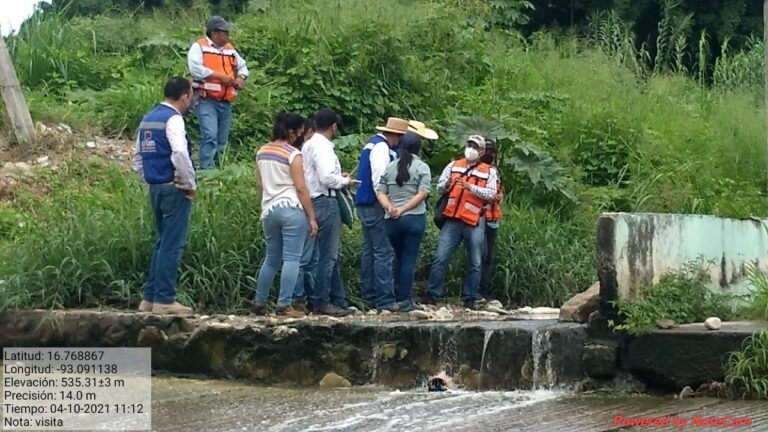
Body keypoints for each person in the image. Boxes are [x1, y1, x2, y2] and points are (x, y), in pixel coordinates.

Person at [132, 77, 197, 315]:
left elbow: (137, 156)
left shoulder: (148, 118)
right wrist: (189, 183)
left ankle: (149, 299)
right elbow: (180, 152)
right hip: (174, 187)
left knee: (161, 243)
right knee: (172, 245)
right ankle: (164, 300)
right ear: (184, 96)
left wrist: (148, 179)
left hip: (155, 187)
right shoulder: (174, 119)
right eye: (190, 95)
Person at [249, 111, 318, 318]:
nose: (300, 136)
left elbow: (260, 185)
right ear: (292, 132)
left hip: (269, 210)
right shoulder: (292, 154)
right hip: (291, 209)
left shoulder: (262, 151)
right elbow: (301, 188)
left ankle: (259, 302)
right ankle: (284, 304)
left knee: (271, 259)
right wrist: (312, 217)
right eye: (300, 132)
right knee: (292, 258)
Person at [421, 135, 498, 310]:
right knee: (440, 258)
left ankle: (469, 297)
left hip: (474, 221)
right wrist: (447, 185)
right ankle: (432, 294)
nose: (471, 149)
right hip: (453, 219)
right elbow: (439, 186)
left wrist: (470, 187)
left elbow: (492, 194)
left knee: (475, 261)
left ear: (481, 151)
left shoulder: (490, 172)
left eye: (475, 146)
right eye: (469, 145)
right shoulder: (454, 165)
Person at [301, 108, 357, 316]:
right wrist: (345, 181)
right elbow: (326, 179)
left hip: (313, 200)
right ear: (333, 126)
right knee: (329, 255)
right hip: (326, 201)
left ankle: (339, 300)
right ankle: (322, 302)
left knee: (328, 254)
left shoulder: (308, 145)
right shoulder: (323, 147)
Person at [355, 117, 409, 312]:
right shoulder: (381, 149)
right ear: (394, 135)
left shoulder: (371, 144)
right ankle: (385, 299)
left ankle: (368, 294)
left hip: (364, 203)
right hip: (375, 204)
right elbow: (380, 178)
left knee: (370, 250)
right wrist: (388, 204)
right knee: (384, 252)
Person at [377, 132, 431, 312]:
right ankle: (405, 300)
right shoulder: (422, 167)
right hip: (413, 218)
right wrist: (403, 209)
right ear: (418, 148)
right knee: (408, 259)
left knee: (398, 258)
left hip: (391, 221)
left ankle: (394, 294)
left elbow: (381, 191)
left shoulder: (390, 167)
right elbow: (422, 193)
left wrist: (390, 208)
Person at [187, 15, 249, 169]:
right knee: (209, 135)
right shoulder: (199, 47)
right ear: (214, 33)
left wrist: (241, 77)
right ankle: (207, 172)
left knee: (222, 140)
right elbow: (195, 69)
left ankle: (219, 171)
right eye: (225, 32)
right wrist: (219, 76)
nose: (228, 35)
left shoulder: (230, 50)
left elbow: (243, 66)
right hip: (206, 100)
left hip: (225, 101)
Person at [478, 139, 503, 301]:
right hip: (479, 218)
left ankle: (484, 289)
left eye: (492, 151)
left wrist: (499, 197)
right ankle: (476, 290)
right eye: (487, 151)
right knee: (480, 254)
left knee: (487, 257)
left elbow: (500, 193)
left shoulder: (495, 171)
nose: (489, 154)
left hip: (493, 219)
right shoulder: (477, 170)